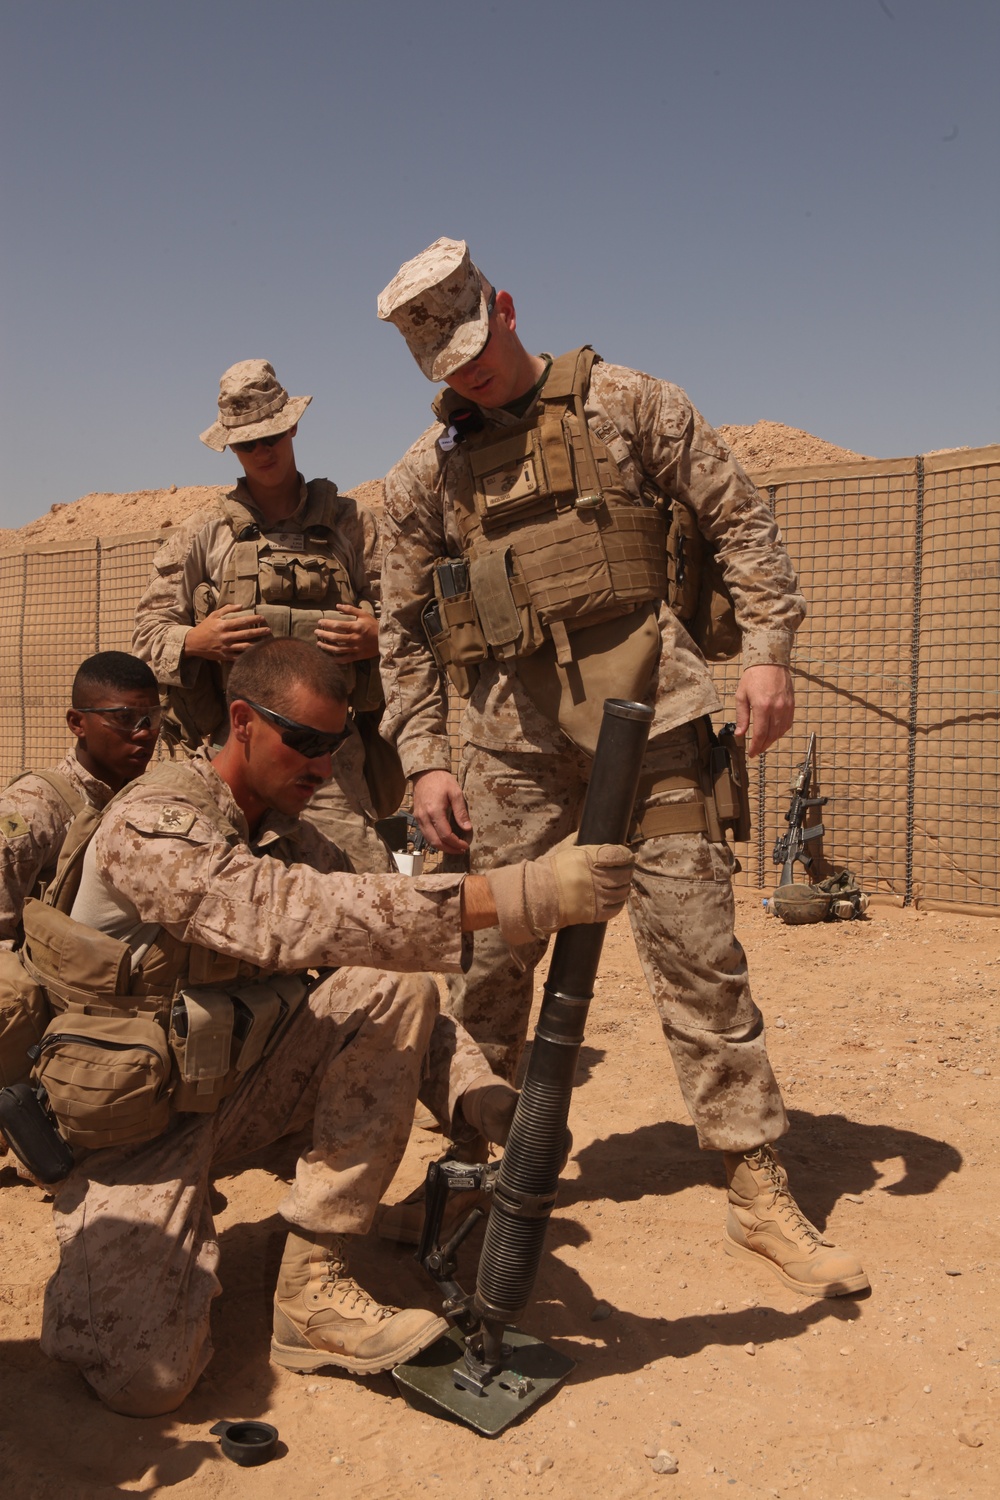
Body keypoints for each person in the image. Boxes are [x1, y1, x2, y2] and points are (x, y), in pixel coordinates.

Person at [374, 237, 868, 1299]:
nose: (467, 374)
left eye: (474, 346)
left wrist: (769, 653)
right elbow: (401, 630)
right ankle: (469, 1167)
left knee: (698, 952)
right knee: (492, 968)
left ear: (505, 306)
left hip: (658, 723)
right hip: (507, 751)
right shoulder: (428, 475)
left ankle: (751, 1180)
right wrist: (423, 760)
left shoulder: (631, 402)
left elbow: (740, 518)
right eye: (443, 365)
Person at [34, 637, 633, 1415]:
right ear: (241, 722)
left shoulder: (297, 836)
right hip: (134, 1128)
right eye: (304, 743)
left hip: (233, 1090)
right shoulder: (154, 817)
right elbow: (277, 914)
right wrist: (519, 896)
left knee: (388, 986)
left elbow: (379, 955)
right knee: (147, 1383)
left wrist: (480, 1098)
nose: (321, 767)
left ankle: (315, 1286)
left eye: (335, 746)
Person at [132, 358, 396, 874]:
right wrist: (197, 640)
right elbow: (146, 635)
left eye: (271, 435)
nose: (262, 451)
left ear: (292, 425)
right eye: (247, 443)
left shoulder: (352, 524)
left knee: (366, 898)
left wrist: (377, 635)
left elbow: (416, 619)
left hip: (329, 763)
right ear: (231, 446)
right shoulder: (205, 532)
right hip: (235, 758)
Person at [0, 651, 160, 950]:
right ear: (77, 723)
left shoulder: (145, 801)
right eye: (125, 718)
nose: (144, 733)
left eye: (151, 718)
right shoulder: (31, 808)